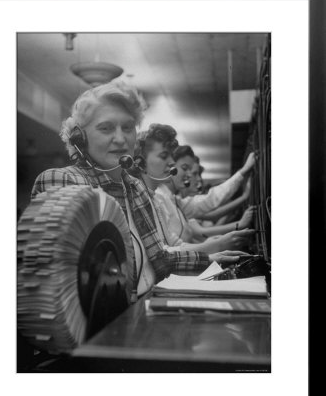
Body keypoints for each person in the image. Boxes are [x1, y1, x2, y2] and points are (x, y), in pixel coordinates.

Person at [31, 82, 246, 301]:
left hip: (148, 305)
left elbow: (159, 259)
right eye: (105, 128)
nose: (120, 138)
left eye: (127, 127)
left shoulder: (135, 187)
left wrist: (210, 258)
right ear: (79, 138)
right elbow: (51, 287)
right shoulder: (64, 181)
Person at [134, 124, 255, 253]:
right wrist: (217, 246)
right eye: (164, 156)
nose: (171, 163)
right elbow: (166, 253)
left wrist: (213, 245)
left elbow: (176, 244)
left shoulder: (165, 200)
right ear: (141, 163)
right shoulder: (148, 200)